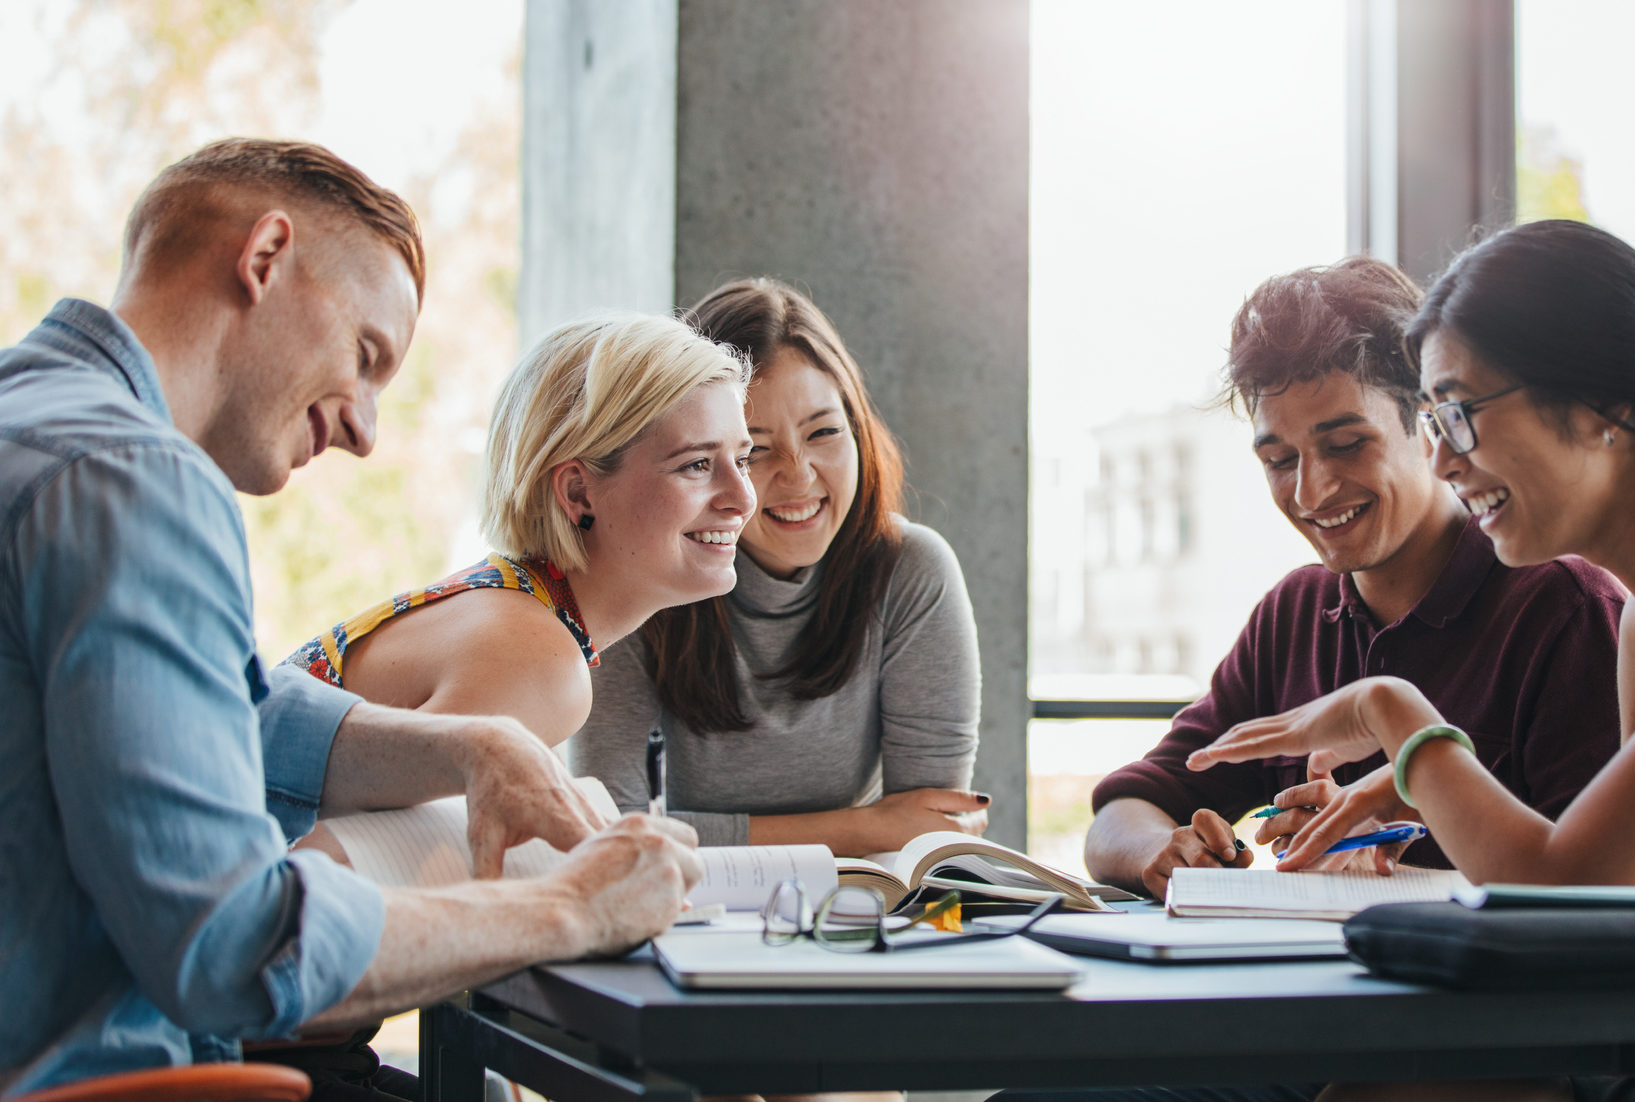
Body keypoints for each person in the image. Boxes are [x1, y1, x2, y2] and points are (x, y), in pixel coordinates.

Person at [0, 139, 700, 1097]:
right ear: (265, 259)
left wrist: (472, 748)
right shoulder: (135, 480)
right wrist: (572, 909)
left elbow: (231, 717)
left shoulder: (34, 425)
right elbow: (235, 946)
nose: (366, 430)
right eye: (366, 357)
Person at [1188, 220, 1635, 1102]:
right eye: (1431, 419)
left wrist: (1396, 718)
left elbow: (1563, 886)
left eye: (1458, 411)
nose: (1444, 456)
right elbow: (1611, 920)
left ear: (1601, 406)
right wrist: (1414, 788)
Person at [1085, 256, 1625, 901]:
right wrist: (1163, 852)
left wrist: (1402, 824)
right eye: (1280, 460)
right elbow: (1124, 811)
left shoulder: (1563, 608)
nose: (1310, 491)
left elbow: (1596, 884)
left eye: (1345, 446)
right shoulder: (1294, 614)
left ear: (1430, 426)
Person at [573, 277, 986, 855]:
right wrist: (861, 826)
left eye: (824, 432)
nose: (798, 476)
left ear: (859, 431)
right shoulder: (638, 573)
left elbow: (927, 831)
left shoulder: (911, 571)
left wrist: (885, 832)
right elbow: (611, 830)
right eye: (755, 450)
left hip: (853, 914)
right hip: (680, 913)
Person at [283, 312, 756, 750]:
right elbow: (323, 840)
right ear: (577, 493)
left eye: (742, 460)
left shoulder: (518, 608)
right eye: (696, 465)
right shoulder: (539, 663)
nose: (744, 498)